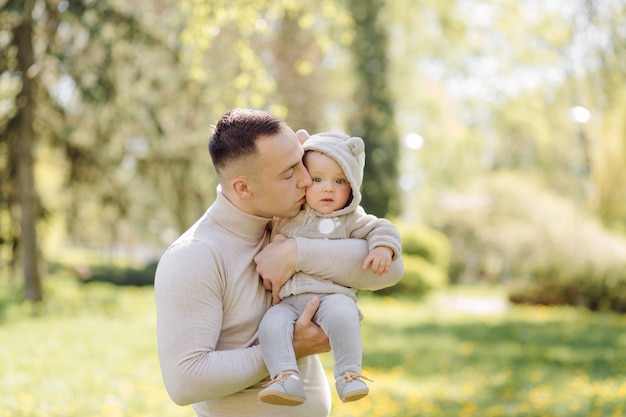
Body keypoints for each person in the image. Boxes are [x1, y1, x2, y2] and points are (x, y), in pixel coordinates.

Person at [154, 108, 404, 417]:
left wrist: (298, 253)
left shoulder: (292, 224)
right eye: (289, 173)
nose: (305, 180)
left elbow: (391, 269)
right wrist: (292, 346)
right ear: (243, 187)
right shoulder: (195, 256)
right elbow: (185, 381)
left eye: (302, 162)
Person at [257, 131, 402, 407]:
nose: (328, 188)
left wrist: (383, 247)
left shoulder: (350, 218)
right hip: (289, 301)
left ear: (353, 186)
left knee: (344, 316)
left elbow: (381, 227)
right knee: (271, 324)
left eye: (340, 181)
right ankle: (285, 376)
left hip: (331, 296)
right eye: (317, 179)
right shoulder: (288, 214)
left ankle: (349, 375)